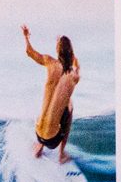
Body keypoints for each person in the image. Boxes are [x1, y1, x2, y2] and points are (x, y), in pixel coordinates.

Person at [22, 25, 80, 164]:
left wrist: (26, 37)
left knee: (49, 104)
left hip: (37, 133)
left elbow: (29, 52)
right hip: (52, 140)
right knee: (70, 106)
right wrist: (72, 56)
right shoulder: (74, 76)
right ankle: (61, 155)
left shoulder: (49, 62)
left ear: (57, 51)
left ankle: (39, 147)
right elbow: (75, 66)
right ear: (71, 53)